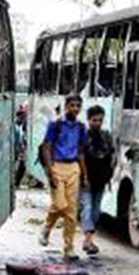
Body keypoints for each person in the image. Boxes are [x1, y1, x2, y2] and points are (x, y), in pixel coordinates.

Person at [38, 94, 88, 260]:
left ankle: (68, 248)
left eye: (78, 106)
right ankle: (47, 227)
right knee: (60, 204)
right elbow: (46, 147)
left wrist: (85, 174)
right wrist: (50, 170)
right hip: (57, 166)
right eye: (72, 105)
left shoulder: (81, 127)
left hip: (73, 167)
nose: (75, 109)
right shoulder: (56, 124)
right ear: (66, 106)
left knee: (71, 211)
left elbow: (80, 152)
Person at [80, 105, 116, 256]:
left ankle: (88, 239)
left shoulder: (106, 136)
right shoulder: (84, 136)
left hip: (101, 180)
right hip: (86, 179)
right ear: (88, 120)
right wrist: (85, 176)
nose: (97, 123)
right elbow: (81, 156)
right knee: (87, 208)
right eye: (94, 120)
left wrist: (109, 173)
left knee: (95, 211)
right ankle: (88, 241)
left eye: (100, 120)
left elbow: (112, 154)